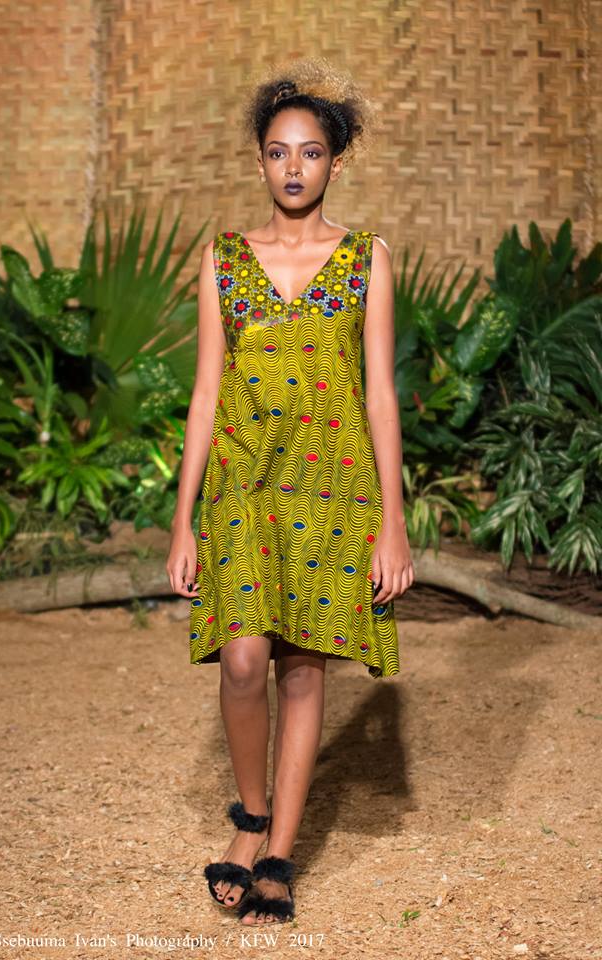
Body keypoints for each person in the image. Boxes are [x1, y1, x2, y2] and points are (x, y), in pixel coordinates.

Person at [166, 57, 414, 925]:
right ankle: (251, 814)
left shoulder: (367, 258)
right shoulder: (224, 259)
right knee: (242, 660)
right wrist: (181, 520)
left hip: (332, 484)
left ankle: (276, 852)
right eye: (279, 152)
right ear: (260, 161)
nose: (294, 167)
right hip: (243, 480)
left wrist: (393, 522)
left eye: (311, 152)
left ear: (336, 161)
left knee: (303, 667)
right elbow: (205, 392)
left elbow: (379, 395)